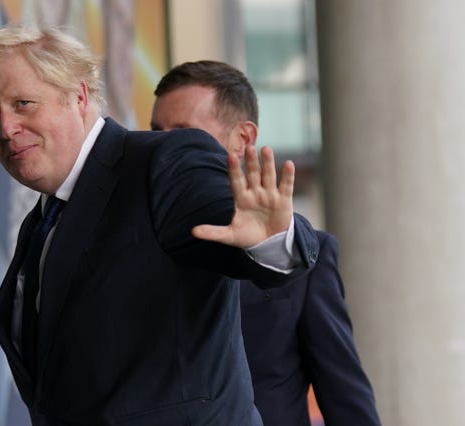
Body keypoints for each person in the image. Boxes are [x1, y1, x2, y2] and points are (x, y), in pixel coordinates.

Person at [0, 25, 320, 425]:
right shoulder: (41, 224)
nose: (6, 128)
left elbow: (229, 222)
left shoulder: (162, 162)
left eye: (23, 103)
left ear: (79, 95)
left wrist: (271, 241)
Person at [151, 60, 382, 426]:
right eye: (154, 132)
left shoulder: (305, 256)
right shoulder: (135, 242)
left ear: (243, 139)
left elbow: (345, 395)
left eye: (182, 134)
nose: (162, 148)